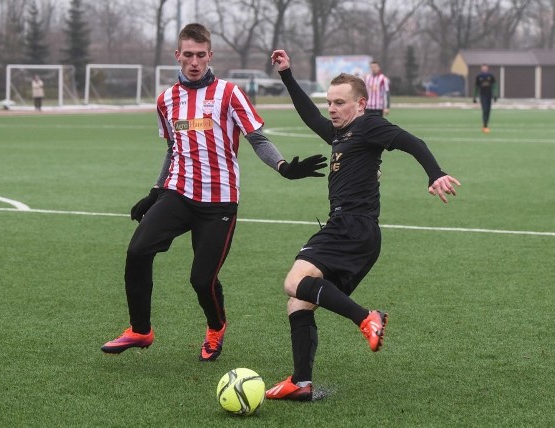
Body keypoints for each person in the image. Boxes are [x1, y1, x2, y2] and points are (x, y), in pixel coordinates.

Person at [101, 24, 327, 362]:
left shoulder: (229, 93)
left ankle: (216, 326)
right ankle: (140, 329)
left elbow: (258, 140)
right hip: (177, 194)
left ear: (210, 56)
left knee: (202, 280)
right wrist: (155, 191)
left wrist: (283, 167)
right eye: (188, 55)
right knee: (137, 251)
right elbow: (172, 149)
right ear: (178, 55)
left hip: (219, 201)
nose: (194, 61)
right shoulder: (166, 100)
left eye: (200, 55)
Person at [265, 49, 461, 401]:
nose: (333, 108)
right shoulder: (340, 134)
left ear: (360, 104)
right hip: (356, 232)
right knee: (298, 303)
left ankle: (366, 318)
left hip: (351, 227)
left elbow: (411, 142)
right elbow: (310, 116)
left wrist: (436, 173)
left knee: (294, 282)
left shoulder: (368, 125)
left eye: (340, 103)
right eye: (330, 102)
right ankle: (302, 382)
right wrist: (287, 75)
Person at [473, 64, 497, 133]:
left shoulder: (491, 76)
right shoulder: (479, 77)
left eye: (485, 68)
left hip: (489, 95)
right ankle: (485, 125)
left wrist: (495, 95)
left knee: (488, 110)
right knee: (485, 109)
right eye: (483, 68)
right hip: (482, 95)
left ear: (487, 68)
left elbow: (494, 86)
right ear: (481, 69)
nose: (484, 69)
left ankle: (486, 124)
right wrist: (474, 97)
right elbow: (476, 87)